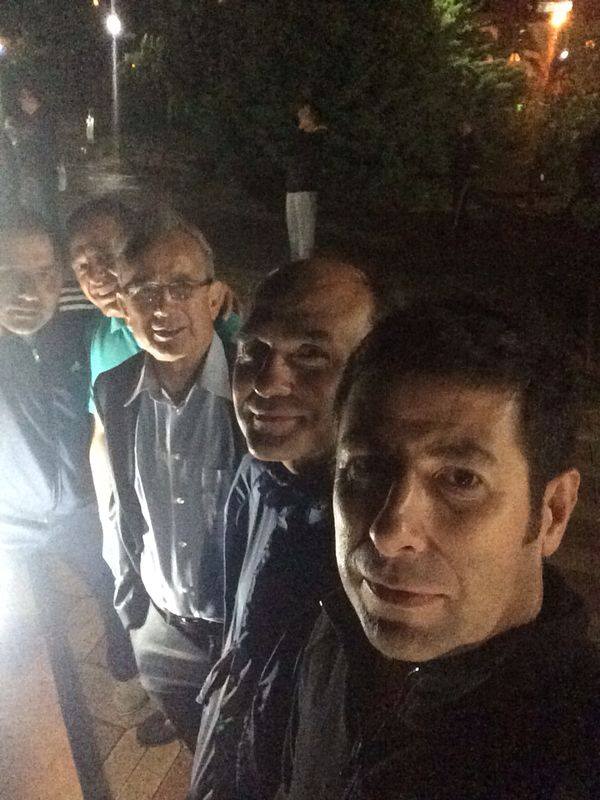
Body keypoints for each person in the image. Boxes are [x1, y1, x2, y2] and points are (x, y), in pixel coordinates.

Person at [280, 297, 600, 800]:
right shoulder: (334, 626)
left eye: (460, 479)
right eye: (366, 468)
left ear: (552, 512)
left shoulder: (574, 762)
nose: (390, 531)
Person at [188, 257, 379, 799]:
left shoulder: (386, 533)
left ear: (373, 372)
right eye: (254, 351)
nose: (266, 382)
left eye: (311, 354)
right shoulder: (258, 473)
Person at [93, 208, 244, 750]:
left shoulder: (258, 391)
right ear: (122, 304)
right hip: (160, 630)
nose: (162, 306)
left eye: (181, 286)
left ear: (214, 298)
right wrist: (131, 605)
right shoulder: (113, 389)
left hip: (242, 638)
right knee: (194, 743)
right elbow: (118, 502)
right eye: (144, 290)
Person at [0, 208, 134, 687]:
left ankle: (125, 668)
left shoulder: (81, 331)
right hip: (7, 524)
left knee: (117, 594)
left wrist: (213, 295)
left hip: (83, 511)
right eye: (10, 274)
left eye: (44, 275)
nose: (29, 292)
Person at [285, 103, 327, 262]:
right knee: (294, 234)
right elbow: (292, 149)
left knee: (305, 234)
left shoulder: (318, 137)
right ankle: (296, 265)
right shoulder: (303, 137)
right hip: (293, 187)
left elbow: (306, 151)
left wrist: (301, 131)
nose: (300, 118)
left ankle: (305, 265)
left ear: (312, 118)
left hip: (305, 188)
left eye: (304, 115)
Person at [14, 84, 59, 229]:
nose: (20, 102)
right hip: (39, 172)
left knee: (44, 213)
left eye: (22, 97)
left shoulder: (42, 120)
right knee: (44, 212)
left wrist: (19, 139)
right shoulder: (34, 119)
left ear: (31, 98)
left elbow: (40, 147)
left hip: (41, 173)